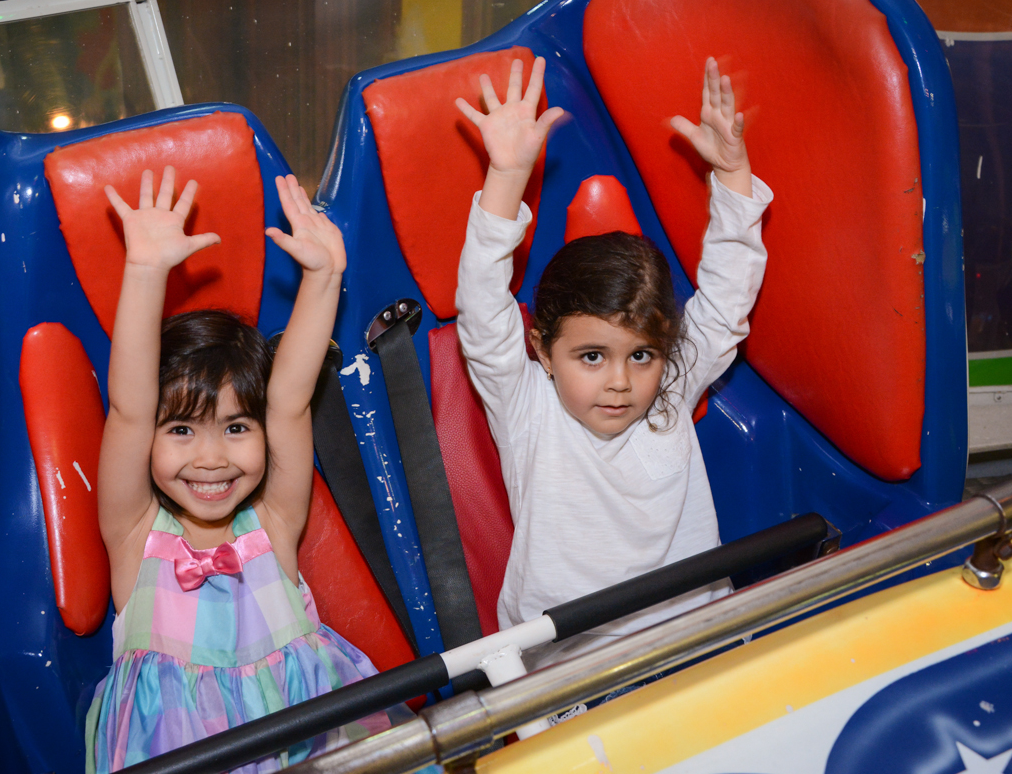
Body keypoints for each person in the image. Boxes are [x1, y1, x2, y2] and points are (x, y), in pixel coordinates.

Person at [454, 56, 773, 669]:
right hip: (569, 661)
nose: (621, 382)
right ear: (542, 350)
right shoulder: (528, 407)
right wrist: (507, 176)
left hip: (694, 641)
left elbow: (726, 300)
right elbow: (481, 307)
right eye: (592, 356)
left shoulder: (670, 388)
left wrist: (733, 174)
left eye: (642, 355)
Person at [85, 167, 393, 772]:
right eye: (181, 430)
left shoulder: (272, 521)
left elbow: (290, 399)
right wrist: (144, 271)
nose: (211, 458)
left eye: (235, 428)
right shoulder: (134, 534)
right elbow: (129, 409)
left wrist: (324, 278)